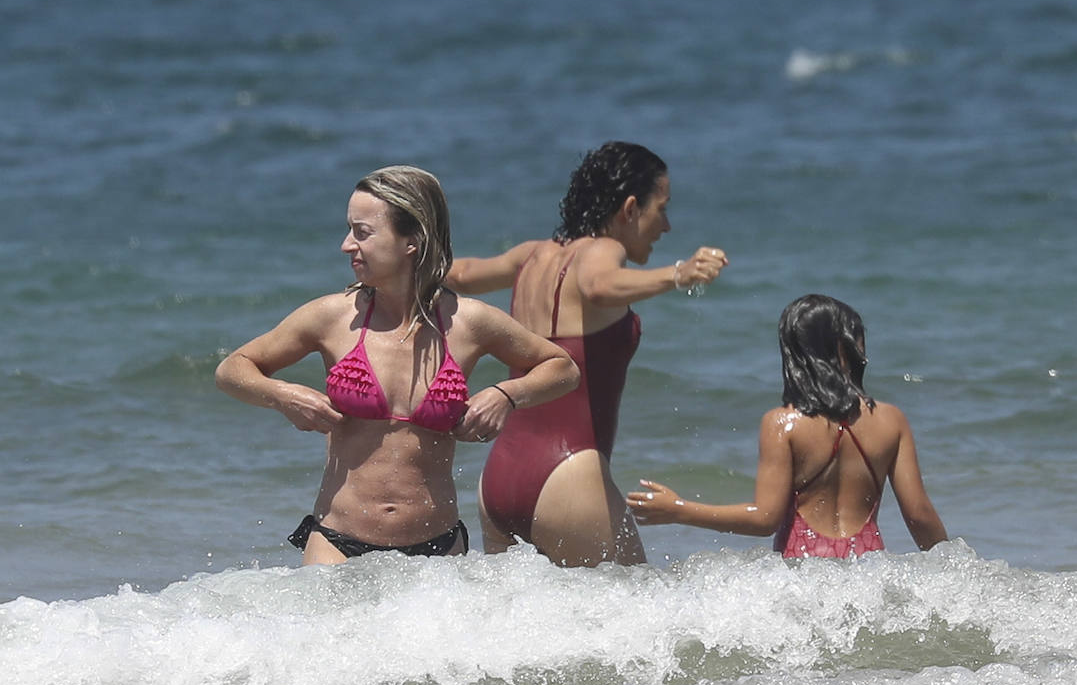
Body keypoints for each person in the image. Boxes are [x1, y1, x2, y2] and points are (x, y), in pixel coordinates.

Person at [215, 166, 579, 564]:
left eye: (362, 232)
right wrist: (282, 395)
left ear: (412, 241)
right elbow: (233, 369)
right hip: (338, 541)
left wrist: (506, 395)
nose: (346, 245)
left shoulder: (469, 322)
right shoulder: (332, 317)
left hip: (436, 546)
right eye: (349, 230)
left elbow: (562, 368)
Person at [445, 141, 728, 566]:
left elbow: (460, 274)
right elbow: (598, 285)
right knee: (635, 618)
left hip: (500, 478)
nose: (666, 225)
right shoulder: (602, 251)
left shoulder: (531, 255)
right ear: (630, 208)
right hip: (568, 474)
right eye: (662, 208)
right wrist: (678, 273)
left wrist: (396, 262)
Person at [627, 294, 947, 558]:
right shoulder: (891, 420)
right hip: (866, 569)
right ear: (848, 349)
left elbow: (765, 518)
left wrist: (679, 509)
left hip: (802, 571)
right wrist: (956, 575)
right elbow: (919, 514)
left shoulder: (782, 424)